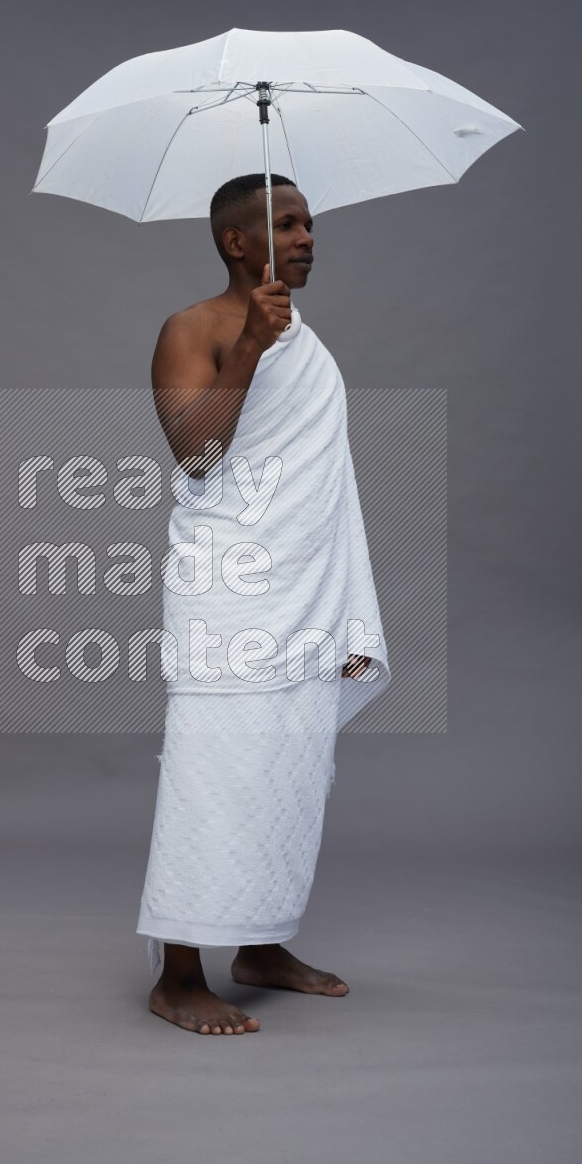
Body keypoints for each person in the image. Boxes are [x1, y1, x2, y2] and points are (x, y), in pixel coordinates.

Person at [136, 173, 391, 1035]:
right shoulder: (193, 328)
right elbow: (196, 454)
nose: (309, 235)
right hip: (231, 589)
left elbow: (324, 489)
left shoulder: (303, 338)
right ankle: (178, 974)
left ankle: (260, 943)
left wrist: (347, 612)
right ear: (236, 242)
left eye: (312, 221)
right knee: (216, 772)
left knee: (293, 772)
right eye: (287, 223)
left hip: (307, 590)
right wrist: (246, 344)